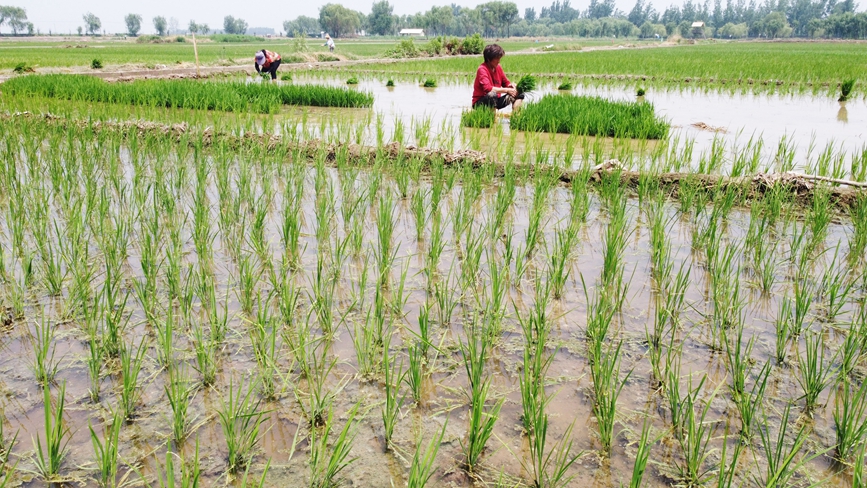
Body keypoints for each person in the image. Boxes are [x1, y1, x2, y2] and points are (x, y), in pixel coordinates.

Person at [472, 44, 523, 112]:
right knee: (492, 95)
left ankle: (516, 117)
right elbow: (488, 88)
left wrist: (511, 86)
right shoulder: (482, 69)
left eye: (499, 58)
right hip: (480, 102)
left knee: (519, 92)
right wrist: (507, 90)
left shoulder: (498, 67)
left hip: (496, 100)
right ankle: (493, 119)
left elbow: (505, 83)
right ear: (488, 59)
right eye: (497, 58)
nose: (499, 61)